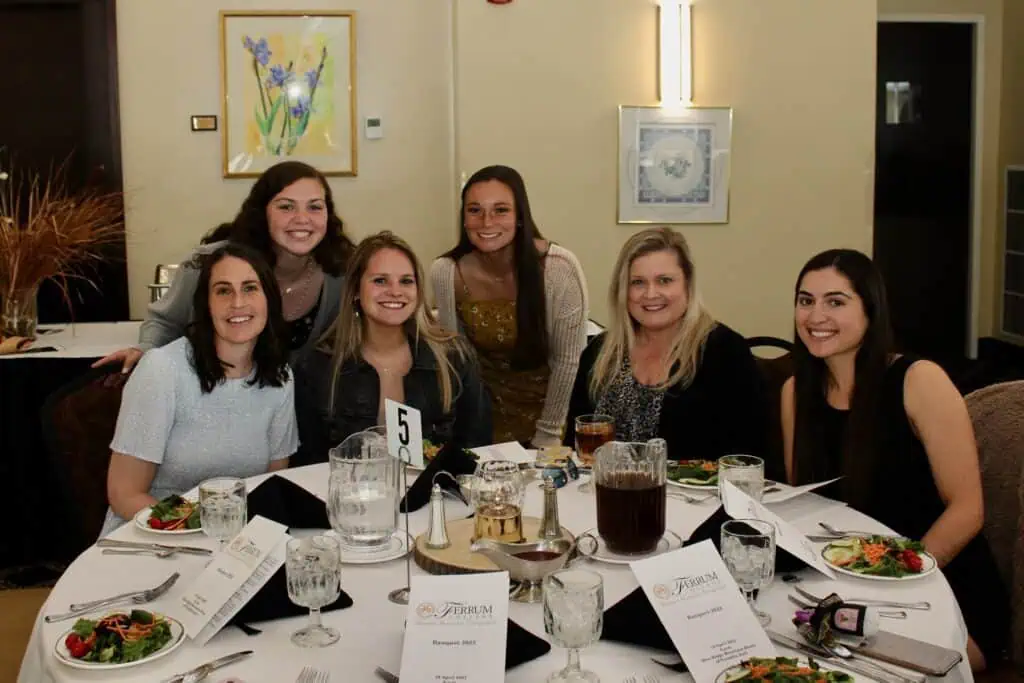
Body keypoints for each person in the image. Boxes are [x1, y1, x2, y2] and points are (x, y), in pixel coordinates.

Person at [780, 248, 1009, 671]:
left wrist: (895, 580)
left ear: (871, 308)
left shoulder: (918, 380)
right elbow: (805, 507)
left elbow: (968, 510)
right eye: (805, 300)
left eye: (835, 301)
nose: (815, 316)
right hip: (847, 586)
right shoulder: (795, 392)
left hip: (940, 588)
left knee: (849, 666)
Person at [100, 243, 297, 536]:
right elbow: (124, 495)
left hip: (232, 543)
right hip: (148, 538)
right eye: (223, 290)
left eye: (250, 288)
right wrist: (201, 532)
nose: (238, 302)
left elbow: (272, 483)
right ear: (205, 304)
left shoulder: (279, 376)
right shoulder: (162, 370)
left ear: (269, 298)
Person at [95, 161, 356, 371]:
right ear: (262, 212)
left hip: (294, 412)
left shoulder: (339, 275)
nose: (302, 219)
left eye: (315, 207)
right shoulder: (208, 265)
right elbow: (165, 322)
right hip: (212, 402)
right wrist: (145, 350)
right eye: (286, 207)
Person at [564, 227, 769, 459]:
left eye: (664, 280)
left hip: (699, 494)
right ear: (623, 290)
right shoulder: (599, 353)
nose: (651, 294)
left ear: (687, 285)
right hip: (598, 493)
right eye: (638, 282)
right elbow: (572, 447)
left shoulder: (725, 351)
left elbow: (749, 456)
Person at [293, 231, 492, 464]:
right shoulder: (317, 366)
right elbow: (308, 463)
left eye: (406, 281)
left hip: (438, 495)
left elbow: (476, 447)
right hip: (349, 495)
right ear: (356, 290)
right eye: (380, 280)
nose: (395, 291)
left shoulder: (454, 357)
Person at [430, 165, 588, 447]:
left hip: (553, 413)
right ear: (464, 218)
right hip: (484, 413)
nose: (486, 222)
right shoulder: (446, 271)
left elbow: (567, 360)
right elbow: (457, 362)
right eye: (475, 210)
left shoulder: (558, 267)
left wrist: (548, 434)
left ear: (519, 217)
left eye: (500, 210)